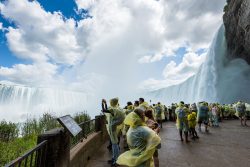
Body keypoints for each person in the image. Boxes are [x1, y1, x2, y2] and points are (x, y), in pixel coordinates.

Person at [102, 98, 125, 167]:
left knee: (115, 145)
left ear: (112, 102)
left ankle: (116, 161)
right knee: (114, 144)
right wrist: (105, 103)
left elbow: (104, 110)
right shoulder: (117, 108)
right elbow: (107, 110)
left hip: (112, 128)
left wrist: (103, 103)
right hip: (113, 128)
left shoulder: (113, 109)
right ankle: (114, 158)